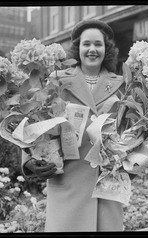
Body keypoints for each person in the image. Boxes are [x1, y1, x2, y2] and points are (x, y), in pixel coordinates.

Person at [21, 19, 125, 232]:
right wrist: (29, 159)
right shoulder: (57, 80)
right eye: (87, 44)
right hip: (68, 182)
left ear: (107, 49)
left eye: (98, 44)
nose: (92, 49)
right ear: (78, 48)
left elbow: (129, 129)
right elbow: (34, 120)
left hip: (106, 188)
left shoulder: (121, 84)